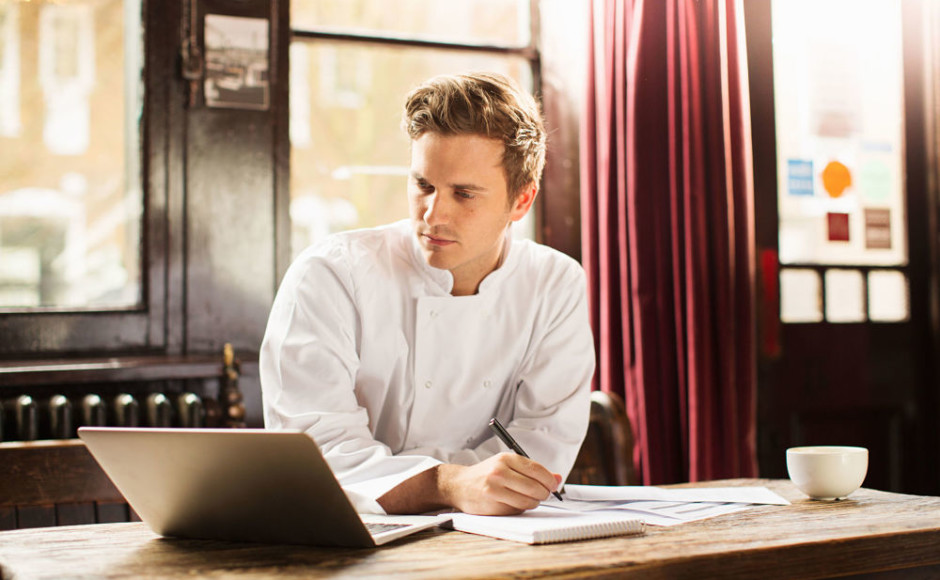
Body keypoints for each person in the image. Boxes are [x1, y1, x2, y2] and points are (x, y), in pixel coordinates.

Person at [260, 71, 595, 516]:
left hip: (498, 534)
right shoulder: (330, 274)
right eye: (423, 186)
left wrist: (478, 490)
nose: (433, 215)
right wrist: (449, 484)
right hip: (347, 534)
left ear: (522, 201)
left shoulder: (555, 283)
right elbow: (315, 454)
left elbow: (543, 440)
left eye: (464, 194)